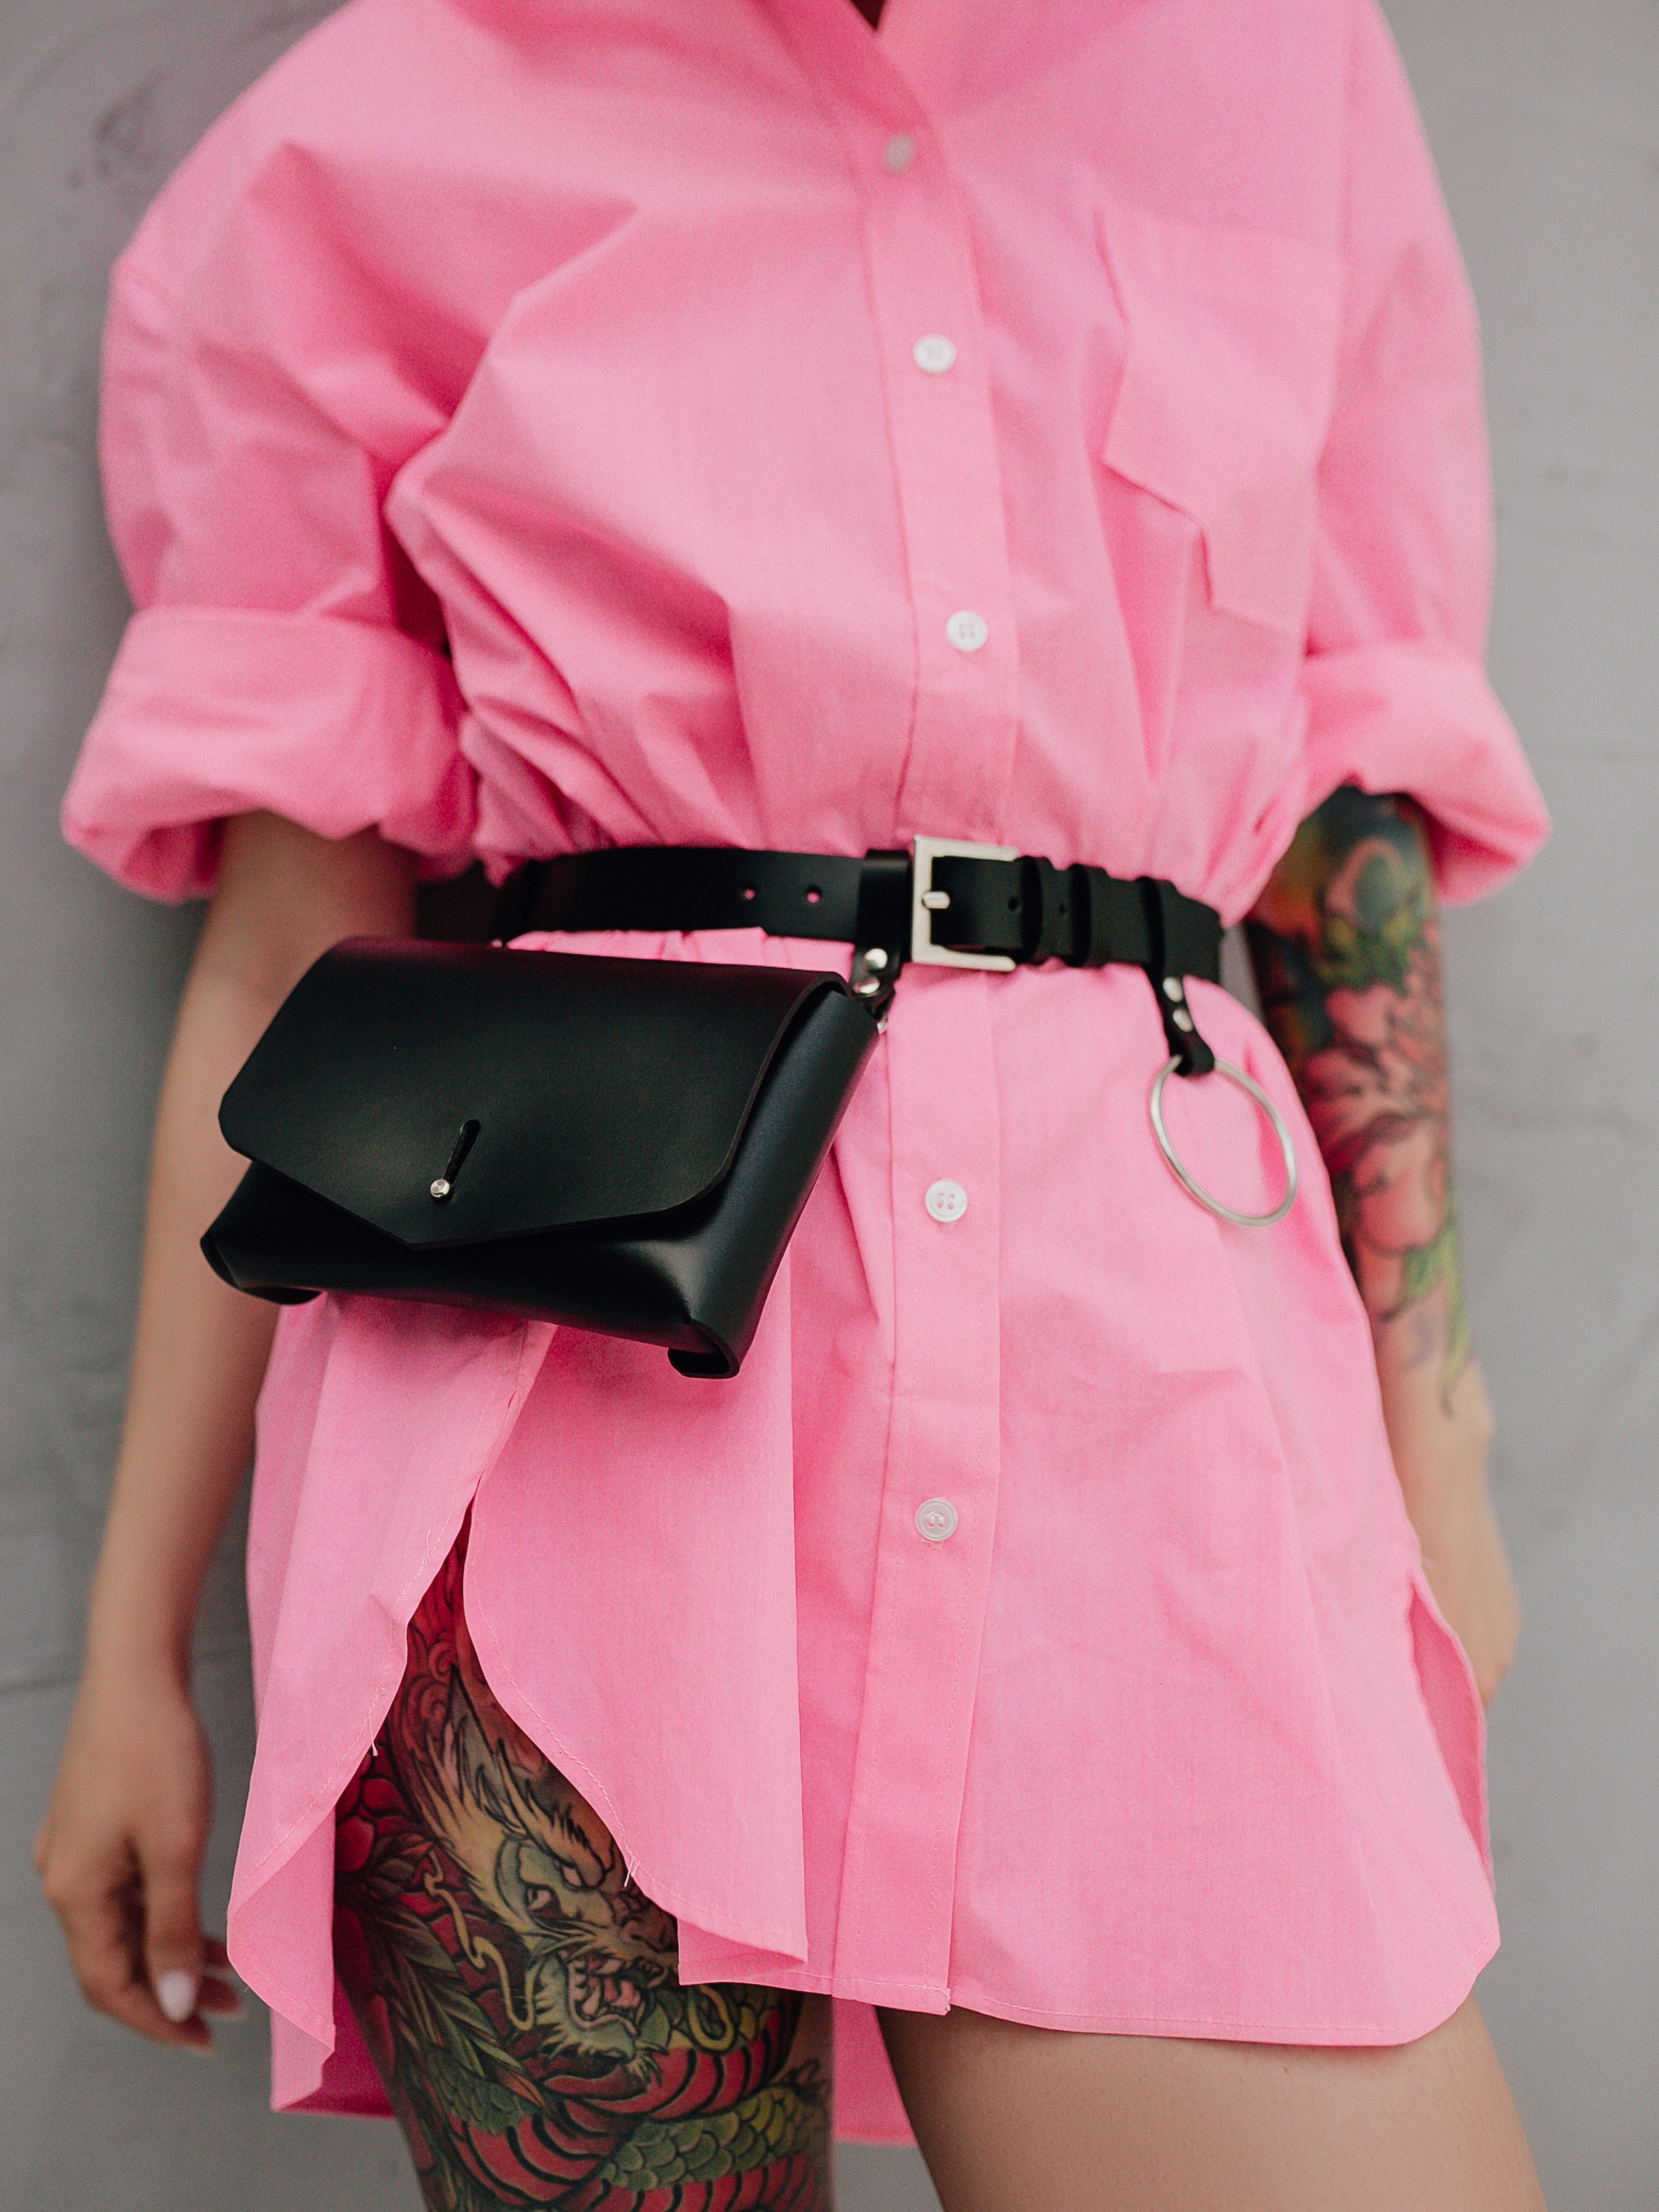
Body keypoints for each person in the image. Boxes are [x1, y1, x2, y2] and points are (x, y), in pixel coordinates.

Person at [35, 0, 1554, 2204]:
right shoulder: (354, 130)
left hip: (1151, 1428)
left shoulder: (1279, 57)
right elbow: (287, 953)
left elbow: (1346, 815)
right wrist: (133, 1659)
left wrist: (1442, 1437)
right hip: (553, 1451)